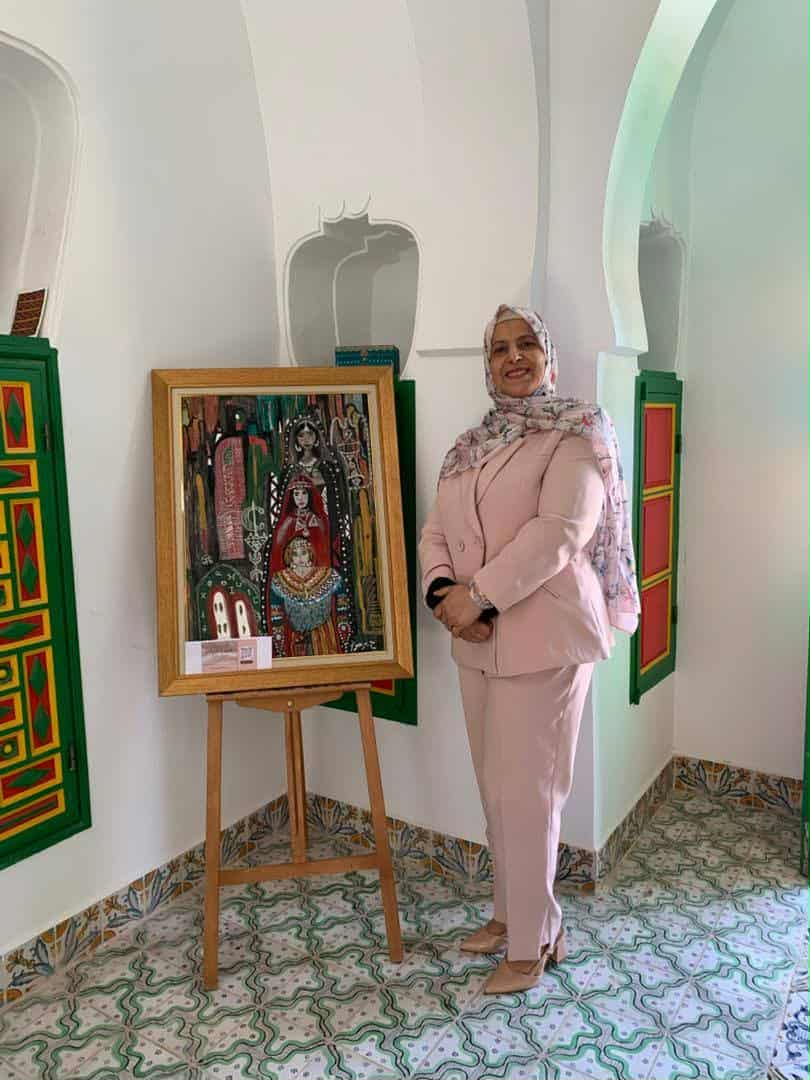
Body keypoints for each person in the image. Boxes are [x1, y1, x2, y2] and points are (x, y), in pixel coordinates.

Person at [418, 304, 639, 995]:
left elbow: (560, 533)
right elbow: (436, 532)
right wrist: (442, 595)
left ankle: (533, 942)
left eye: (526, 345)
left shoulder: (576, 433)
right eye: (499, 349)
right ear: (487, 364)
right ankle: (513, 915)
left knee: (531, 794)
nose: (513, 358)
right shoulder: (471, 445)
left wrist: (477, 596)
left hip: (546, 637)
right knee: (496, 788)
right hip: (476, 640)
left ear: (548, 355)